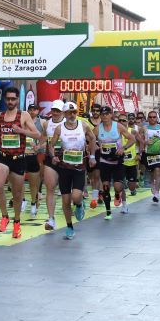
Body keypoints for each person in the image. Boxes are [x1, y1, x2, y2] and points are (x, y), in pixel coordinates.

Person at [0, 86, 42, 238]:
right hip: (3, 156)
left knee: (17, 194)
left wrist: (21, 131)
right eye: (8, 99)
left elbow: (37, 134)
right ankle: (5, 216)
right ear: (5, 100)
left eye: (13, 99)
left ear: (18, 100)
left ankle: (17, 222)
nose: (11, 101)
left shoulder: (24, 115)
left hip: (19, 158)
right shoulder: (0, 115)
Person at [48, 102, 97, 240]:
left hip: (79, 167)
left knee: (76, 196)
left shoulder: (83, 125)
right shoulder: (59, 128)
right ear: (64, 114)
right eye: (69, 113)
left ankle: (80, 204)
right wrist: (53, 157)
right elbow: (51, 145)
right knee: (65, 200)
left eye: (74, 112)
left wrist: (92, 156)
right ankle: (69, 227)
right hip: (64, 167)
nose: (72, 115)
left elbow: (93, 138)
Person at [94, 106, 135, 219]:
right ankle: (108, 212)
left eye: (107, 114)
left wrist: (123, 148)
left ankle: (119, 196)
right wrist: (95, 148)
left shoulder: (118, 126)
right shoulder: (98, 128)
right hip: (104, 161)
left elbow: (132, 139)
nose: (105, 116)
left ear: (111, 115)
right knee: (106, 186)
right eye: (103, 114)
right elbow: (91, 141)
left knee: (117, 186)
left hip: (117, 161)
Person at [39, 101, 66, 230]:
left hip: (67, 159)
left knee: (68, 192)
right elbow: (44, 136)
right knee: (50, 188)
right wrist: (38, 145)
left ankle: (78, 204)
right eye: (54, 110)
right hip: (51, 159)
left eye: (58, 111)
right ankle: (51, 219)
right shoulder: (47, 123)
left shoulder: (69, 122)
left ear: (63, 112)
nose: (55, 113)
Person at [143, 109, 160, 203]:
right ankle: (152, 185)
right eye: (150, 117)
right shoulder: (144, 128)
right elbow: (137, 138)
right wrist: (145, 142)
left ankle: (157, 193)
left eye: (154, 117)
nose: (152, 119)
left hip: (158, 153)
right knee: (151, 173)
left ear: (157, 118)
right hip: (148, 153)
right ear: (148, 118)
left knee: (157, 171)